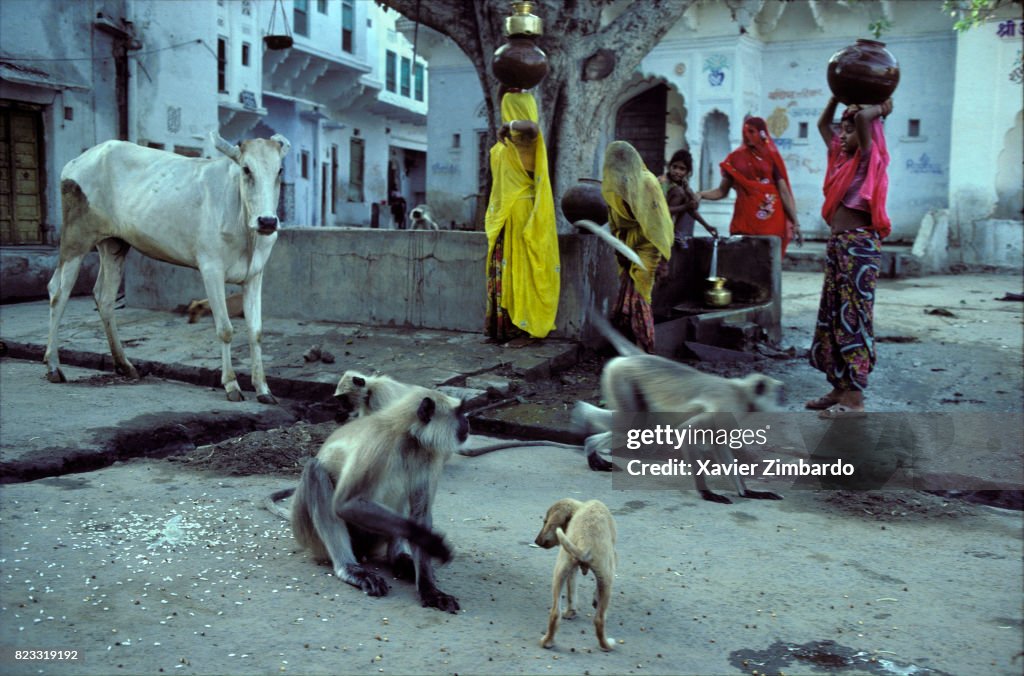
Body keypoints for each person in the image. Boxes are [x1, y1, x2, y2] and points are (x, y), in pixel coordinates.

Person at [806, 96, 894, 417]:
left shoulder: (869, 157)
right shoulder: (840, 160)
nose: (841, 136)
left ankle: (855, 398)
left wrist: (881, 108)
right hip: (839, 244)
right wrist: (835, 95)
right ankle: (839, 387)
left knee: (853, 317)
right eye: (840, 130)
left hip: (860, 246)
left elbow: (864, 120)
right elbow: (820, 124)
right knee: (833, 316)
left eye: (848, 130)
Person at [484, 91, 560, 343]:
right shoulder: (504, 145)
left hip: (524, 215)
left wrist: (510, 125)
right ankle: (503, 329)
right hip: (506, 217)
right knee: (505, 270)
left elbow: (533, 127)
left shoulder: (528, 140)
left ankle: (523, 329)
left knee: (523, 270)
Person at [601, 141, 674, 354]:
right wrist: (620, 248)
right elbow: (613, 220)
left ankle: (644, 349)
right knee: (625, 294)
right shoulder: (613, 185)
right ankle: (629, 347)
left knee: (641, 295)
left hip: (648, 245)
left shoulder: (648, 183)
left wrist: (663, 259)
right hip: (626, 244)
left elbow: (659, 224)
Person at [697, 117, 802, 255]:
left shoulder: (772, 157)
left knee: (766, 264)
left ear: (762, 133)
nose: (747, 136)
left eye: (751, 132)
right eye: (744, 132)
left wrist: (795, 223)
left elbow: (783, 192)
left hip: (770, 221)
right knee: (743, 265)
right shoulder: (735, 158)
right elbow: (721, 191)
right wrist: (700, 194)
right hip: (744, 220)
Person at [661, 149, 718, 246]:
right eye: (674, 167)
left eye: (682, 169)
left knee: (688, 197)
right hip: (657, 221)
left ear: (687, 172)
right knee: (680, 192)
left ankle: (678, 233)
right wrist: (685, 206)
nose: (677, 171)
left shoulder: (683, 184)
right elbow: (661, 210)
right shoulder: (663, 182)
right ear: (669, 166)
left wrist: (707, 226)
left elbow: (693, 207)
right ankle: (671, 232)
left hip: (670, 222)